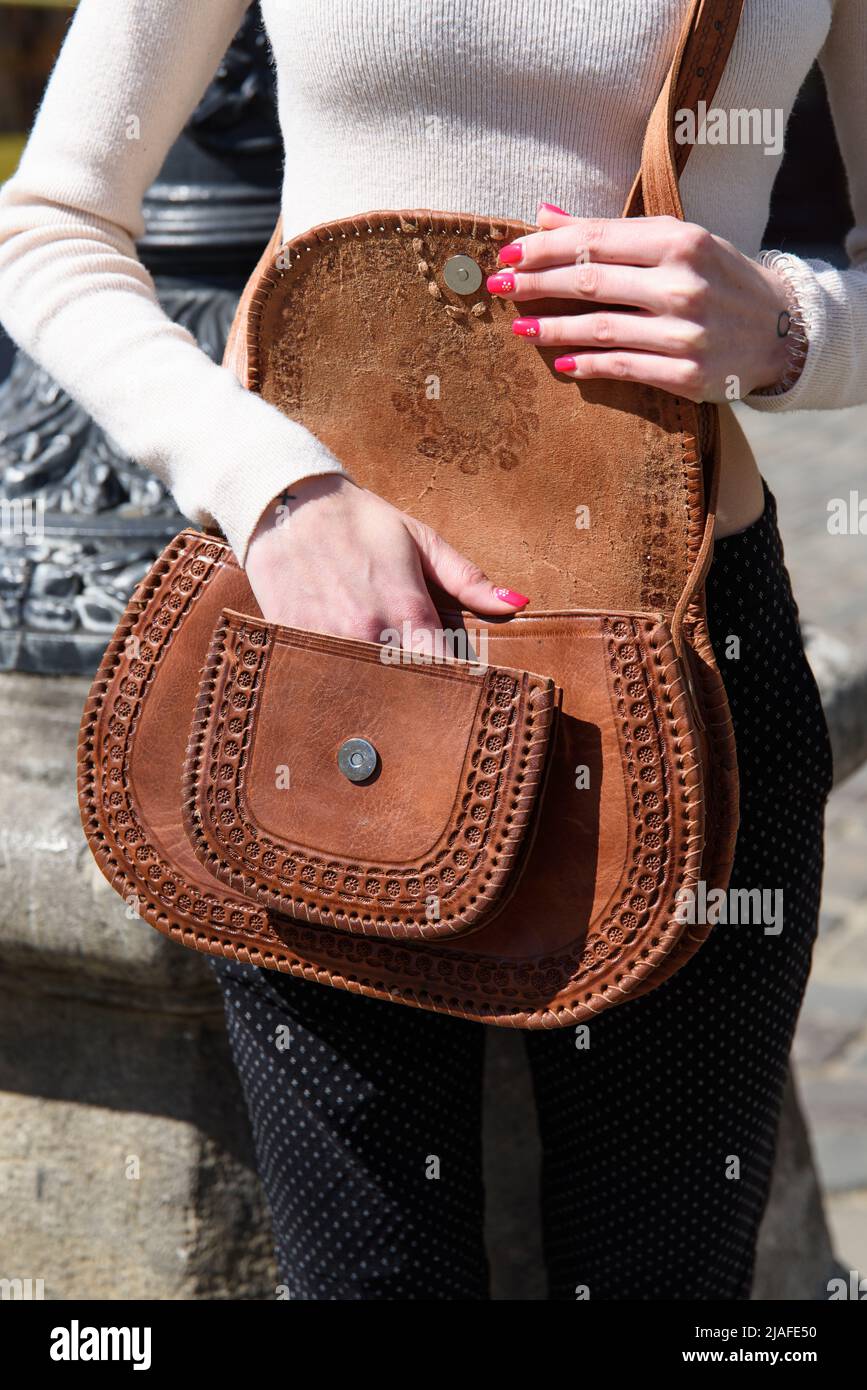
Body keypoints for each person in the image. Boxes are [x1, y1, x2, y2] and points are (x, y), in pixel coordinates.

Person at [0, 0, 861, 1300]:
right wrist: (274, 487)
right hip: (326, 651)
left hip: (684, 656)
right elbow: (50, 222)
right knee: (369, 1282)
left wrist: (791, 325)